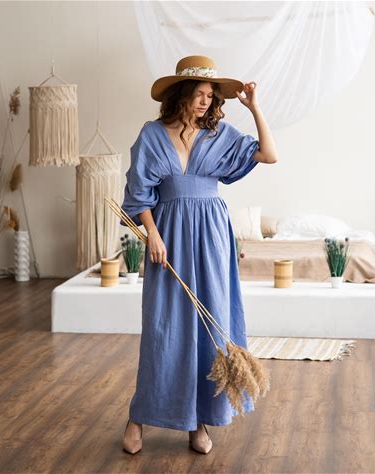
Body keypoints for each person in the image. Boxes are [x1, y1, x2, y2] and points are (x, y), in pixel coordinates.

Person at [120, 55, 278, 454]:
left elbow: (269, 154)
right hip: (168, 236)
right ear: (182, 94)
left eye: (211, 95)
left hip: (211, 238)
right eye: (200, 94)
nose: (206, 101)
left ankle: (199, 422)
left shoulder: (219, 135)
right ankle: (138, 417)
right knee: (164, 330)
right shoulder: (152, 135)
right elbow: (139, 193)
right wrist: (152, 235)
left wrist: (254, 107)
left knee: (211, 328)